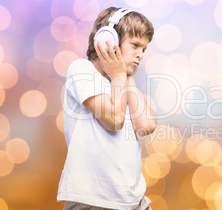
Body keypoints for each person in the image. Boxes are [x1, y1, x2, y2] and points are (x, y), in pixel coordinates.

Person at [57, 7, 156, 210]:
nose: (140, 55)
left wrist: (125, 76)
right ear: (109, 40)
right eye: (135, 45)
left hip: (133, 202)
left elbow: (146, 125)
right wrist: (119, 75)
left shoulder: (123, 83)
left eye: (144, 49)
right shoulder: (81, 71)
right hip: (94, 201)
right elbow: (114, 120)